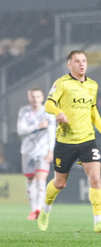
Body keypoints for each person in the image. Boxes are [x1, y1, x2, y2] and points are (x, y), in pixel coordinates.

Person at [38, 50, 101, 234]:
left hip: (87, 140)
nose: (82, 64)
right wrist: (58, 112)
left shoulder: (92, 85)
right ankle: (45, 209)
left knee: (95, 178)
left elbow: (93, 112)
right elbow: (48, 104)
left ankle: (98, 222)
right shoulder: (62, 83)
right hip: (65, 141)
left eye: (84, 61)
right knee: (60, 183)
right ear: (69, 65)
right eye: (77, 61)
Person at [17, 88, 56, 220]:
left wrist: (51, 150)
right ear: (29, 98)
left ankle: (38, 209)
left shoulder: (48, 112)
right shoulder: (24, 111)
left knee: (41, 180)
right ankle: (33, 209)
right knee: (30, 180)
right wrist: (37, 126)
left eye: (38, 96)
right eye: (33, 96)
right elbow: (20, 130)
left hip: (43, 151)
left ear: (42, 97)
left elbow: (52, 133)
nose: (35, 99)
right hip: (27, 151)